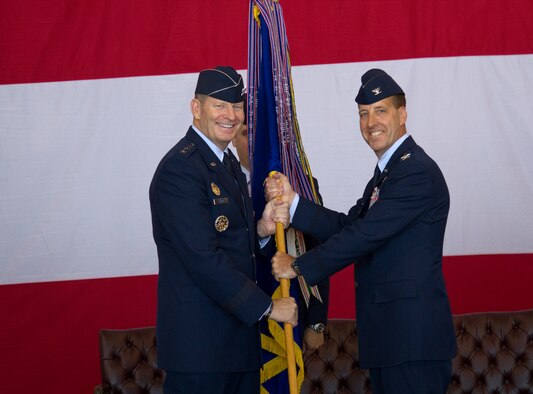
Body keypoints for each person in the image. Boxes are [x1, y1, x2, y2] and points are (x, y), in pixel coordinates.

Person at [267, 69, 456, 393]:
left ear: (403, 114)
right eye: (363, 114)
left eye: (381, 111)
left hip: (412, 343)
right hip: (391, 340)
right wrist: (295, 203)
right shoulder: (388, 174)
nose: (371, 122)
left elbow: (363, 237)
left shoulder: (416, 172)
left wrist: (298, 266)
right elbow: (350, 226)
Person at [149, 66, 298, 394]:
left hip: (237, 345)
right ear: (196, 109)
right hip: (200, 350)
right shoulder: (180, 170)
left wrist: (261, 228)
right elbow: (203, 258)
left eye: (236, 106)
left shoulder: (227, 164)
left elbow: (233, 243)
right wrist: (269, 308)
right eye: (219, 105)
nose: (230, 115)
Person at [232, 119, 329, 353]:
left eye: (260, 136)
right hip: (236, 316)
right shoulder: (221, 185)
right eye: (246, 134)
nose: (254, 143)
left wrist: (316, 322)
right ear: (233, 139)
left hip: (291, 314)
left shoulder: (299, 186)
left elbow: (318, 252)